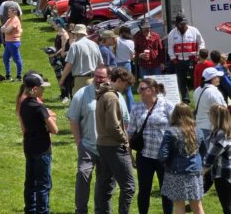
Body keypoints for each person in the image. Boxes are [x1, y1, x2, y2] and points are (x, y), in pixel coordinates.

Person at [67, 65, 127, 214]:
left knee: (106, 181)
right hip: (88, 145)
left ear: (108, 78)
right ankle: (81, 210)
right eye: (96, 76)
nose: (98, 80)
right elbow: (73, 119)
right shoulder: (82, 94)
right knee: (83, 174)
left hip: (108, 147)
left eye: (101, 77)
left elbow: (125, 120)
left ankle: (102, 211)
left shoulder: (117, 96)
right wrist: (78, 142)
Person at [128, 77, 175, 214]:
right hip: (144, 156)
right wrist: (129, 153)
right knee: (144, 190)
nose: (139, 92)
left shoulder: (167, 105)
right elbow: (130, 132)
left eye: (142, 89)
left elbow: (177, 128)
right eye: (139, 89)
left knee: (166, 191)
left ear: (152, 90)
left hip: (164, 157)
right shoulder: (137, 108)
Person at [94, 66, 136, 214]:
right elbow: (113, 125)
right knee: (129, 186)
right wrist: (125, 139)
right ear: (119, 80)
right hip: (113, 145)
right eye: (125, 84)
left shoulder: (103, 93)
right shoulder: (111, 96)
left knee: (105, 184)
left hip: (103, 144)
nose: (126, 88)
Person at [20, 72, 58, 214]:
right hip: (42, 148)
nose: (44, 90)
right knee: (43, 184)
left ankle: (30, 209)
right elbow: (54, 130)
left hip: (29, 146)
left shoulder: (24, 103)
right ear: (34, 89)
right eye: (42, 87)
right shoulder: (39, 107)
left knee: (30, 181)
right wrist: (50, 116)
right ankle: (43, 211)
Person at [158, 104, 205, 214]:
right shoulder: (198, 131)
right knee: (197, 205)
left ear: (174, 115)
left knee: (179, 205)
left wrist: (166, 164)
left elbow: (162, 156)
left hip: (175, 173)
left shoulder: (170, 132)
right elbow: (203, 152)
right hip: (194, 172)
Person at [167, 14, 205, 103]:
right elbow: (170, 47)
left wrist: (199, 54)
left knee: (196, 79)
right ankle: (186, 99)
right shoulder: (172, 33)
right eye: (181, 24)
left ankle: (199, 97)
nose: (184, 25)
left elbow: (201, 43)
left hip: (193, 60)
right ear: (176, 24)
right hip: (179, 60)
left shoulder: (194, 31)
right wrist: (173, 58)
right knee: (181, 80)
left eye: (185, 23)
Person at [203, 104, 231, 214]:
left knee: (227, 206)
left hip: (223, 175)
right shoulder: (225, 131)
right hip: (225, 173)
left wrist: (200, 174)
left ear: (216, 117)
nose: (209, 116)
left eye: (210, 114)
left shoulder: (221, 134)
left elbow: (210, 158)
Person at [60, 24, 104, 95]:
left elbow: (69, 66)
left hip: (80, 80)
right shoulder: (94, 44)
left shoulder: (75, 45)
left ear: (76, 34)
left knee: (79, 103)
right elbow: (101, 64)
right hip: (94, 79)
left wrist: (61, 81)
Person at [194, 67, 228, 149]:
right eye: (217, 77)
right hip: (211, 128)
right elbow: (223, 109)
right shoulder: (214, 92)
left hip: (199, 127)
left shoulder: (197, 90)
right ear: (212, 79)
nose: (219, 79)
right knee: (214, 157)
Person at [114, 26, 136, 111]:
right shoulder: (131, 42)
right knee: (128, 89)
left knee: (116, 87)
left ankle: (118, 109)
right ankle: (131, 110)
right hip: (127, 64)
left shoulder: (116, 40)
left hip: (117, 64)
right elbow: (132, 57)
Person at [2, 5, 23, 81]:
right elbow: (2, 28)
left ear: (14, 12)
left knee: (16, 59)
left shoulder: (15, 20)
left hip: (13, 42)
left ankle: (19, 76)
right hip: (8, 42)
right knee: (5, 58)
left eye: (9, 11)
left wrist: (5, 29)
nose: (8, 13)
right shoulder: (9, 19)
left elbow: (7, 31)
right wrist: (5, 29)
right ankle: (8, 75)